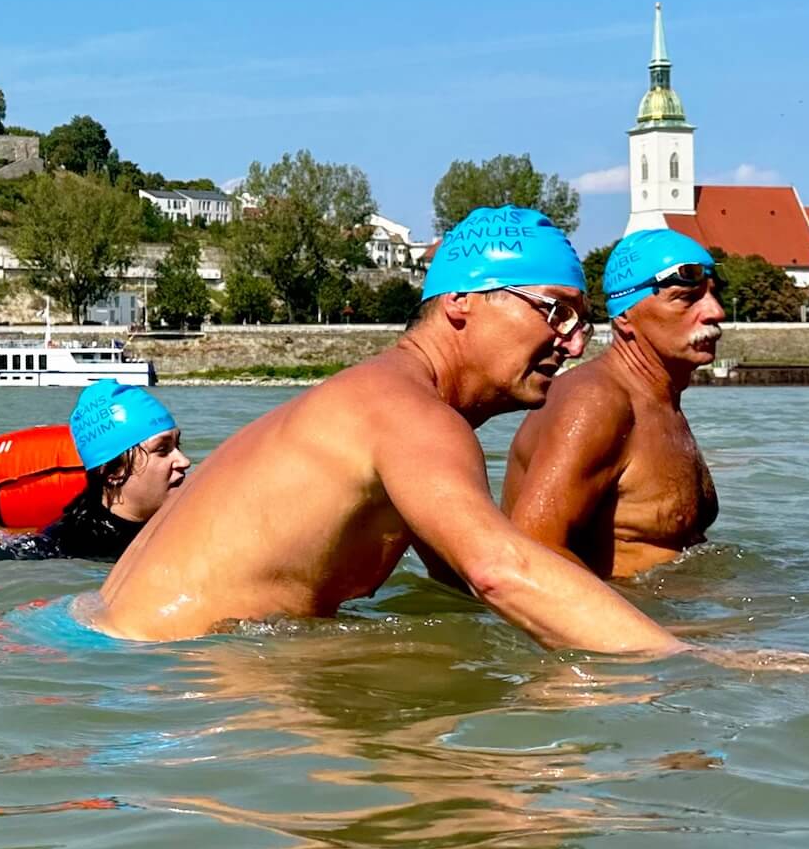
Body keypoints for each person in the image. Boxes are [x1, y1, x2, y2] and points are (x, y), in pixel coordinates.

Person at [86, 206, 683, 655]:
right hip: (160, 686)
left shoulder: (378, 401)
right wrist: (698, 664)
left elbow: (466, 586)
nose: (575, 343)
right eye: (555, 311)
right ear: (462, 304)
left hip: (107, 653)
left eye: (583, 321)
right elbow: (499, 572)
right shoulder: (411, 414)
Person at [502, 228, 723, 578]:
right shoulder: (596, 402)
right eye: (687, 298)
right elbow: (531, 554)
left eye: (713, 295)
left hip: (667, 617)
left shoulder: (659, 401)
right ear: (625, 316)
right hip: (626, 628)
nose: (716, 312)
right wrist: (657, 635)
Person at [0, 381, 189, 561]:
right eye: (162, 450)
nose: (184, 461)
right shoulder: (59, 549)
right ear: (113, 471)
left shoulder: (185, 521)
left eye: (178, 446)